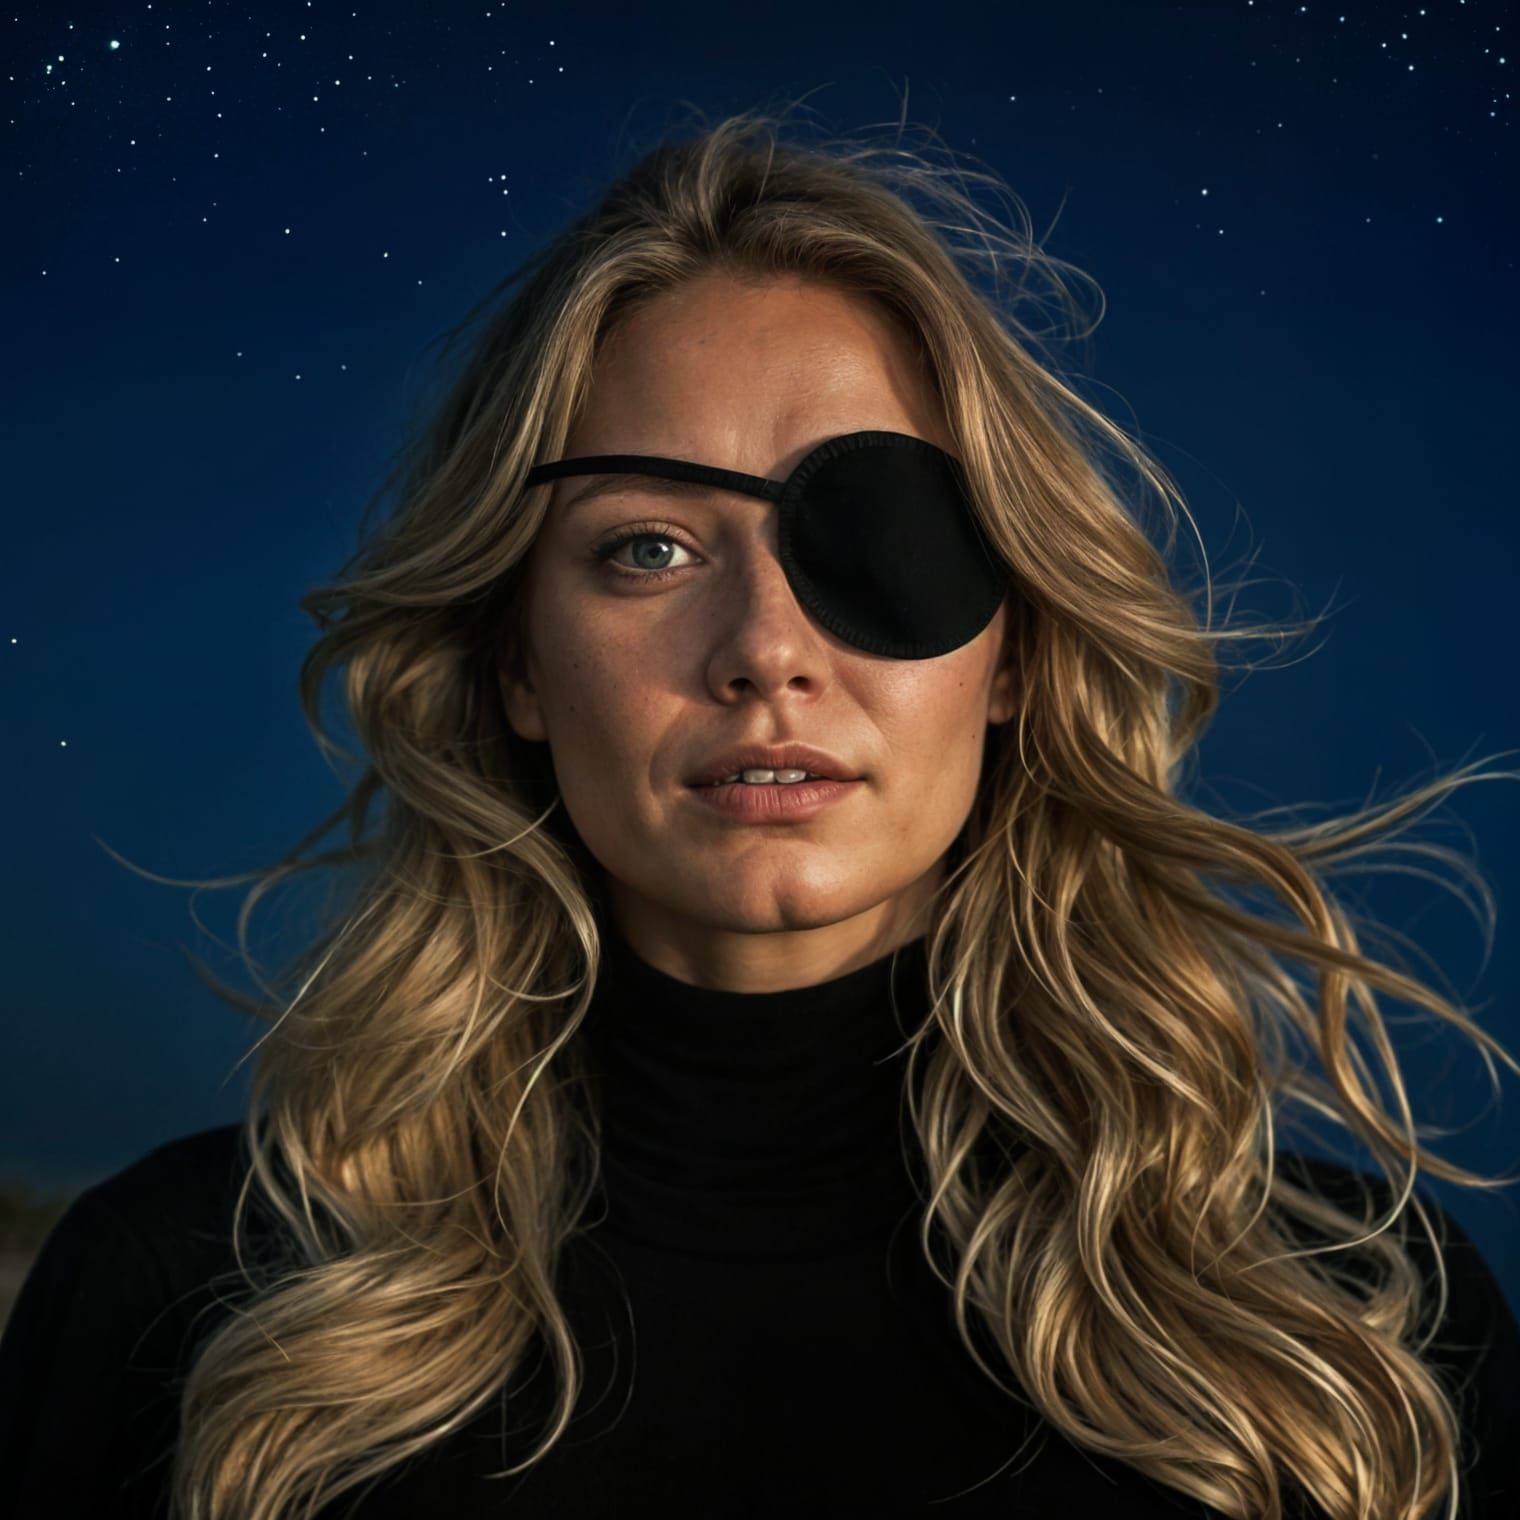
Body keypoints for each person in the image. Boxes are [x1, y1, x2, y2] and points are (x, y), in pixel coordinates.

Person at [2, 107, 1517, 1520]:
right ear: (517, 661)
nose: (766, 651)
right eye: (649, 549)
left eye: (880, 540)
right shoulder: (188, 1304)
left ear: (1014, 654)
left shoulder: (1345, 1336)